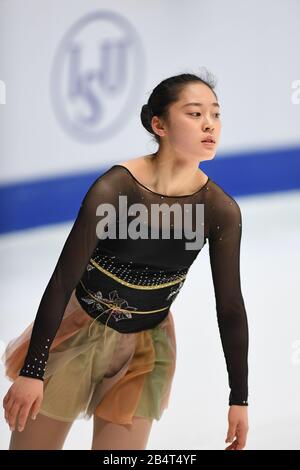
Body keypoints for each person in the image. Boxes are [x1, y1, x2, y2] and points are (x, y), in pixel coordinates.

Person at [2, 71, 249, 450]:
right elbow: (63, 279)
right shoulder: (115, 188)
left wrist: (239, 398)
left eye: (215, 114)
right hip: (74, 334)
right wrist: (33, 370)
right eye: (195, 114)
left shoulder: (219, 210)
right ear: (159, 124)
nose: (209, 125)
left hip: (146, 351)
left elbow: (230, 306)